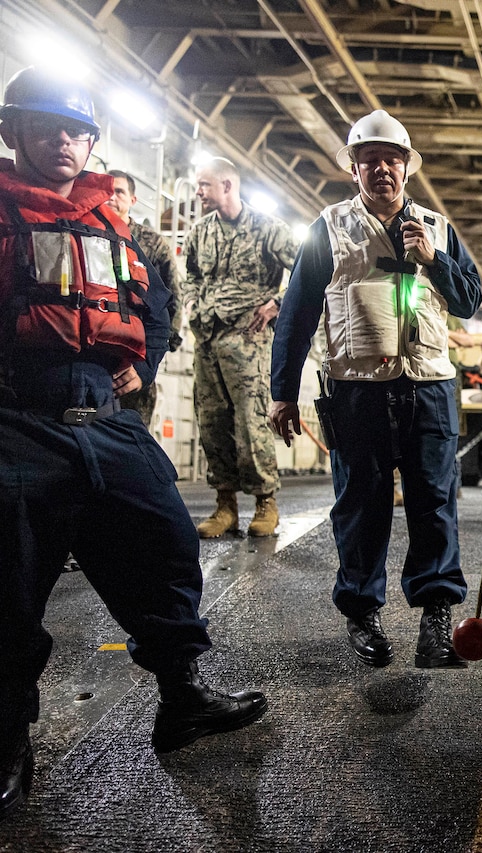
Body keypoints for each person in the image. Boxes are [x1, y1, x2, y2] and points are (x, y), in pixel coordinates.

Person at [0, 67, 267, 822]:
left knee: (164, 540)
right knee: (9, 580)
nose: (65, 141)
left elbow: (151, 313)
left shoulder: (111, 226)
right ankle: (7, 735)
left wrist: (139, 364)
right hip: (21, 413)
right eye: (48, 126)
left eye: (78, 131)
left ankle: (181, 697)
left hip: (107, 417)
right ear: (13, 130)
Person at [269, 109, 482, 670]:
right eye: (369, 161)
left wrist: (433, 261)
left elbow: (468, 302)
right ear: (355, 169)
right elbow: (295, 313)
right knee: (360, 504)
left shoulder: (437, 229)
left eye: (391, 159)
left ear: (407, 167)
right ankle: (363, 614)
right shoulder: (329, 227)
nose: (381, 169)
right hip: (356, 388)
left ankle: (435, 620)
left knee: (435, 502)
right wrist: (282, 390)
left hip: (430, 385)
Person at [186, 156, 297, 538]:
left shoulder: (269, 229)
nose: (198, 192)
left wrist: (278, 304)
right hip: (207, 339)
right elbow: (191, 276)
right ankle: (225, 504)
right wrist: (192, 304)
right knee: (211, 422)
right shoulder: (200, 231)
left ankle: (266, 501)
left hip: (248, 340)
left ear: (227, 186)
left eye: (204, 185)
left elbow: (306, 273)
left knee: (252, 422)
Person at [105, 169, 184, 428]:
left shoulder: (151, 242)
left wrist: (157, 349)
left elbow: (171, 295)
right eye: (107, 190)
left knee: (132, 432)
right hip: (97, 346)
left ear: (132, 200)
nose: (111, 197)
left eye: (119, 191)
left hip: (135, 352)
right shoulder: (85, 232)